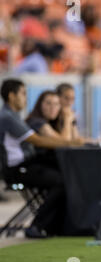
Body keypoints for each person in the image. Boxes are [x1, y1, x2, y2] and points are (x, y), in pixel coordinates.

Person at [0, 79, 82, 238]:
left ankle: (55, 224)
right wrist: (69, 142)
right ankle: (38, 225)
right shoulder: (8, 117)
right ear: (11, 96)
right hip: (17, 169)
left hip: (26, 165)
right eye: (23, 94)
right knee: (60, 182)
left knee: (64, 175)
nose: (25, 98)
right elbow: (37, 140)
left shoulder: (13, 116)